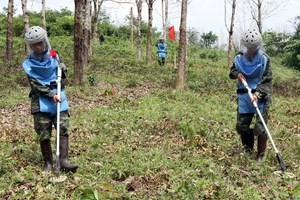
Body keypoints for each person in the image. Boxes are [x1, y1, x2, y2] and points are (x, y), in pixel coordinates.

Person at [22, 26, 78, 172]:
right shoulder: (28, 64)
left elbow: (63, 75)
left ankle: (64, 160)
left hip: (60, 97)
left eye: (40, 43)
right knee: (43, 132)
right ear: (30, 46)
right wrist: (51, 94)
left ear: (45, 41)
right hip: (41, 102)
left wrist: (63, 68)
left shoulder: (55, 55)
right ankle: (48, 163)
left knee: (63, 128)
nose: (38, 47)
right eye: (34, 45)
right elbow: (35, 85)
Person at [229, 29, 273, 161]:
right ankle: (247, 150)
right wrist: (237, 73)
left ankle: (260, 155)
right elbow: (232, 71)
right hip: (244, 96)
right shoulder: (239, 57)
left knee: (261, 126)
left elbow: (267, 80)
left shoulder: (264, 59)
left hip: (260, 97)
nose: (250, 50)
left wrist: (258, 94)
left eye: (253, 48)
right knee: (242, 126)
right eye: (248, 48)